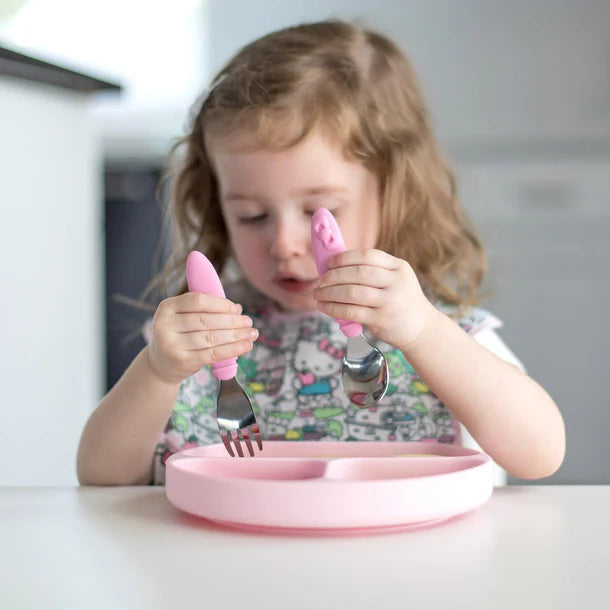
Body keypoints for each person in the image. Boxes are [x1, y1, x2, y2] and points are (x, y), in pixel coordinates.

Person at [77, 20, 565, 486]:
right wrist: (159, 370)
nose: (285, 244)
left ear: (394, 193)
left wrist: (424, 332)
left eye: (319, 212)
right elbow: (102, 477)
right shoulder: (198, 343)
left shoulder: (441, 334)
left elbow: (540, 454)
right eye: (252, 215)